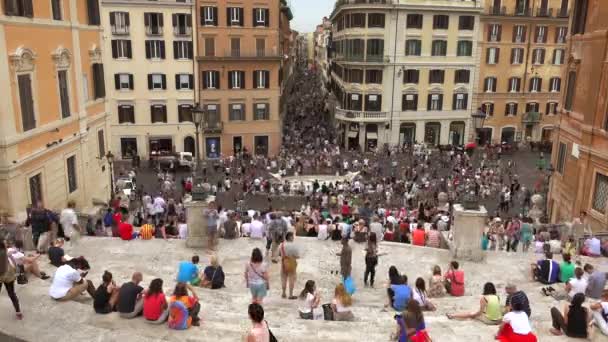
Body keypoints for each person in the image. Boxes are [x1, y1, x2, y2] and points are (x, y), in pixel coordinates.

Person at [0, 240, 22, 319]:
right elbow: (11, 256)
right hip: (8, 272)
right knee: (12, 293)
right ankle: (18, 312)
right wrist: (16, 267)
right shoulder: (5, 250)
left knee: (12, 293)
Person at [280, 232, 300, 299]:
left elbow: (279, 254)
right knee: (291, 278)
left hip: (283, 262)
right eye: (293, 237)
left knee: (283, 278)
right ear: (290, 237)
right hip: (291, 263)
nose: (293, 238)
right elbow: (297, 256)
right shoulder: (293, 246)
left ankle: (283, 293)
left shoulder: (281, 245)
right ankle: (290, 295)